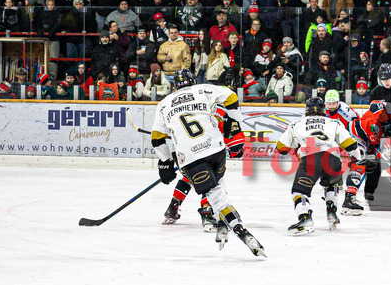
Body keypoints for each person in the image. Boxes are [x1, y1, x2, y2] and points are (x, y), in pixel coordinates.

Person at [150, 69, 264, 257]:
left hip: (190, 156)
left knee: (214, 194)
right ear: (193, 81)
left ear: (175, 86)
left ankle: (238, 228)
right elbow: (231, 96)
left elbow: (157, 139)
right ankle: (219, 220)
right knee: (218, 185)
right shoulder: (202, 90)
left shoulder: (164, 104)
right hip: (215, 149)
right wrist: (235, 122)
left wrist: (165, 163)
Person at [275, 96, 363, 235]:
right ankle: (332, 212)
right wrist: (359, 158)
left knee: (299, 192)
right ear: (324, 109)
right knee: (332, 184)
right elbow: (351, 145)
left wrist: (296, 147)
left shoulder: (296, 124)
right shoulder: (334, 122)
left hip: (310, 158)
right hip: (333, 158)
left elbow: (281, 148)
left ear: (306, 110)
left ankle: (305, 219)